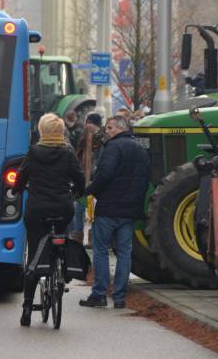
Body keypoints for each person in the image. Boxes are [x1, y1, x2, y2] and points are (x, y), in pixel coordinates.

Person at [13, 113, 85, 327]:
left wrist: (18, 189)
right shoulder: (68, 153)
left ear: (42, 131)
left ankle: (27, 307)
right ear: (61, 131)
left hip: (37, 210)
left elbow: (20, 177)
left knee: (34, 255)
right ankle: (61, 269)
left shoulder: (33, 152)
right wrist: (78, 192)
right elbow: (79, 179)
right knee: (60, 237)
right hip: (63, 208)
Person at [80, 116, 148, 309]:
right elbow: (144, 179)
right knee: (125, 253)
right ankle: (119, 297)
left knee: (100, 251)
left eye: (109, 128)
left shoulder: (112, 147)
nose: (106, 131)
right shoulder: (140, 149)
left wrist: (91, 190)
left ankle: (99, 294)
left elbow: (105, 174)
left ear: (119, 128)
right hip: (129, 210)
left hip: (109, 208)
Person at [73, 112, 104, 245]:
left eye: (87, 122)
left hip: (94, 180)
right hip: (83, 179)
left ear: (91, 123)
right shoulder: (85, 137)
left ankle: (92, 237)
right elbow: (79, 156)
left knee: (91, 209)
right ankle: (78, 236)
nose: (85, 124)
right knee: (78, 208)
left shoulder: (103, 139)